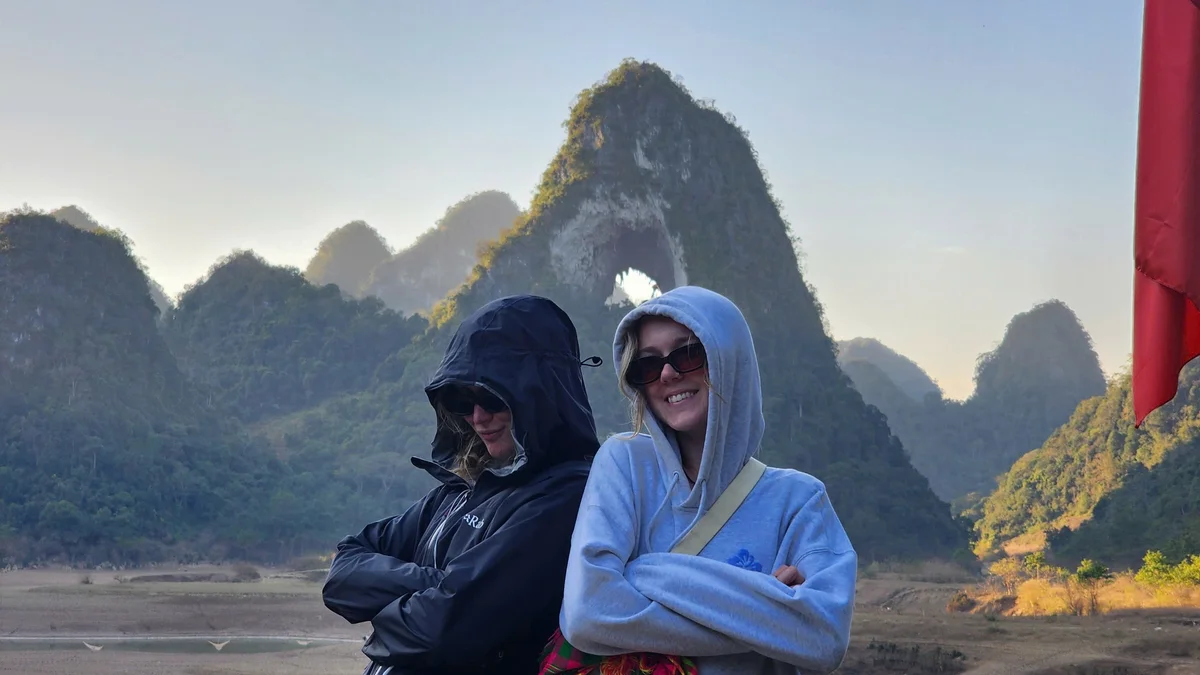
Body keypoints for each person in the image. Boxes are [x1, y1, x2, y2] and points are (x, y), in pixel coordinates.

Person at [554, 285, 857, 675]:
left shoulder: (799, 501)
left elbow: (823, 638)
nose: (666, 373)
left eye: (689, 354)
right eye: (647, 365)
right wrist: (766, 609)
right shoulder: (624, 462)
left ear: (728, 359)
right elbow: (588, 614)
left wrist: (641, 572)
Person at [323, 294, 600, 675]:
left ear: (539, 393)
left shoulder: (564, 499)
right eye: (460, 400)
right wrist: (435, 583)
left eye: (491, 396)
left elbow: (439, 632)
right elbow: (341, 572)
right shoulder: (457, 491)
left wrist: (387, 615)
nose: (477, 417)